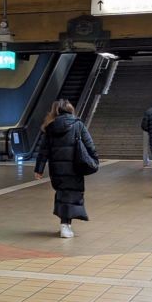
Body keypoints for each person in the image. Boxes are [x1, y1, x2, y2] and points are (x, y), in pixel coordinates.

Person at [34, 99, 98, 238]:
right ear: (70, 109)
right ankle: (65, 226)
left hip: (57, 169)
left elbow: (43, 150)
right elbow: (89, 144)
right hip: (75, 167)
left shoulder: (50, 127)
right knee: (72, 194)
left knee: (63, 194)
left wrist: (39, 169)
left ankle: (65, 225)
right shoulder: (78, 125)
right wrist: (94, 160)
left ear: (55, 111)